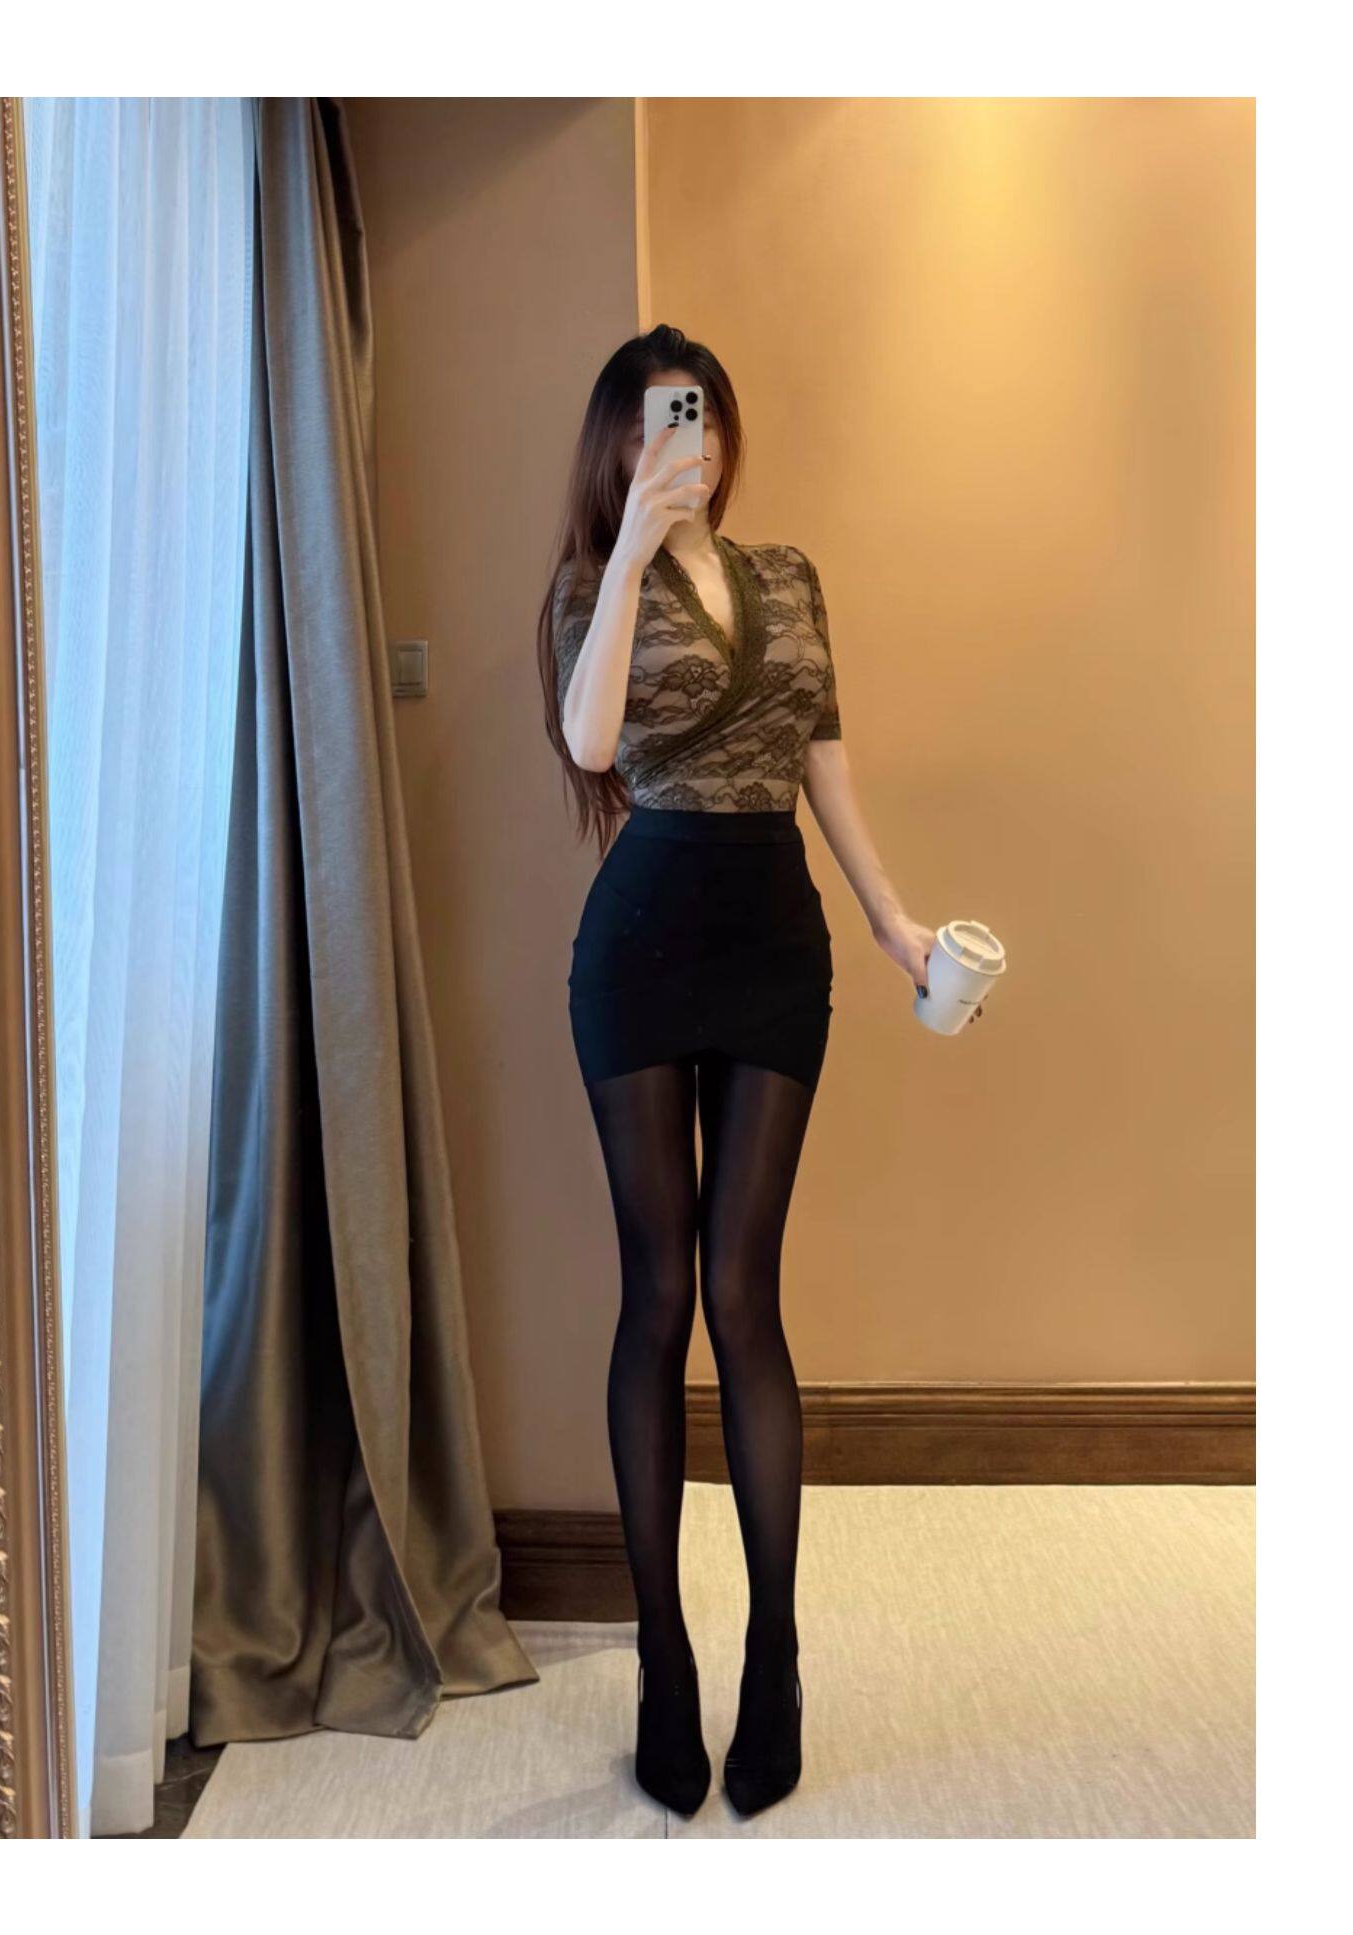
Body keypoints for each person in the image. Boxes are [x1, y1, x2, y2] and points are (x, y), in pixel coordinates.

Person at [538, 325, 984, 1822]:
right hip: (640, 945)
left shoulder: (790, 577)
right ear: (618, 443)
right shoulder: (586, 585)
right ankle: (664, 1661)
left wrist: (896, 923)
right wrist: (631, 549)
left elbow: (824, 766)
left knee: (745, 1295)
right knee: (656, 1295)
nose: (693, 442)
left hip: (775, 943)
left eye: (707, 418)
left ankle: (773, 1655)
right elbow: (589, 740)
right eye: (663, 422)